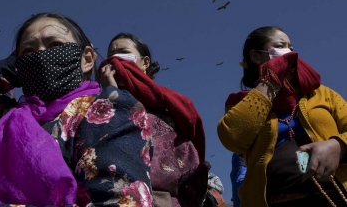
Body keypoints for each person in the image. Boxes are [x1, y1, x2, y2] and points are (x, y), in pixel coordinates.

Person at [0, 13, 153, 206]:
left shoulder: (106, 108)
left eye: (55, 45)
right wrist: (22, 65)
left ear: (87, 59)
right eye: (29, 52)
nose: (41, 57)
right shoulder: (12, 117)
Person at [217, 26, 347, 206]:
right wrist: (270, 81)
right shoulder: (240, 104)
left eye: (291, 48)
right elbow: (232, 138)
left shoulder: (322, 94)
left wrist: (338, 146)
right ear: (255, 56)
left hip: (334, 197)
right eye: (280, 46)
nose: (289, 53)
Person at [99, 32, 208, 207]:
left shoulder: (170, 110)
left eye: (124, 52)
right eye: (111, 55)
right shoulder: (93, 110)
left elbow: (193, 175)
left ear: (145, 62)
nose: (115, 60)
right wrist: (110, 96)